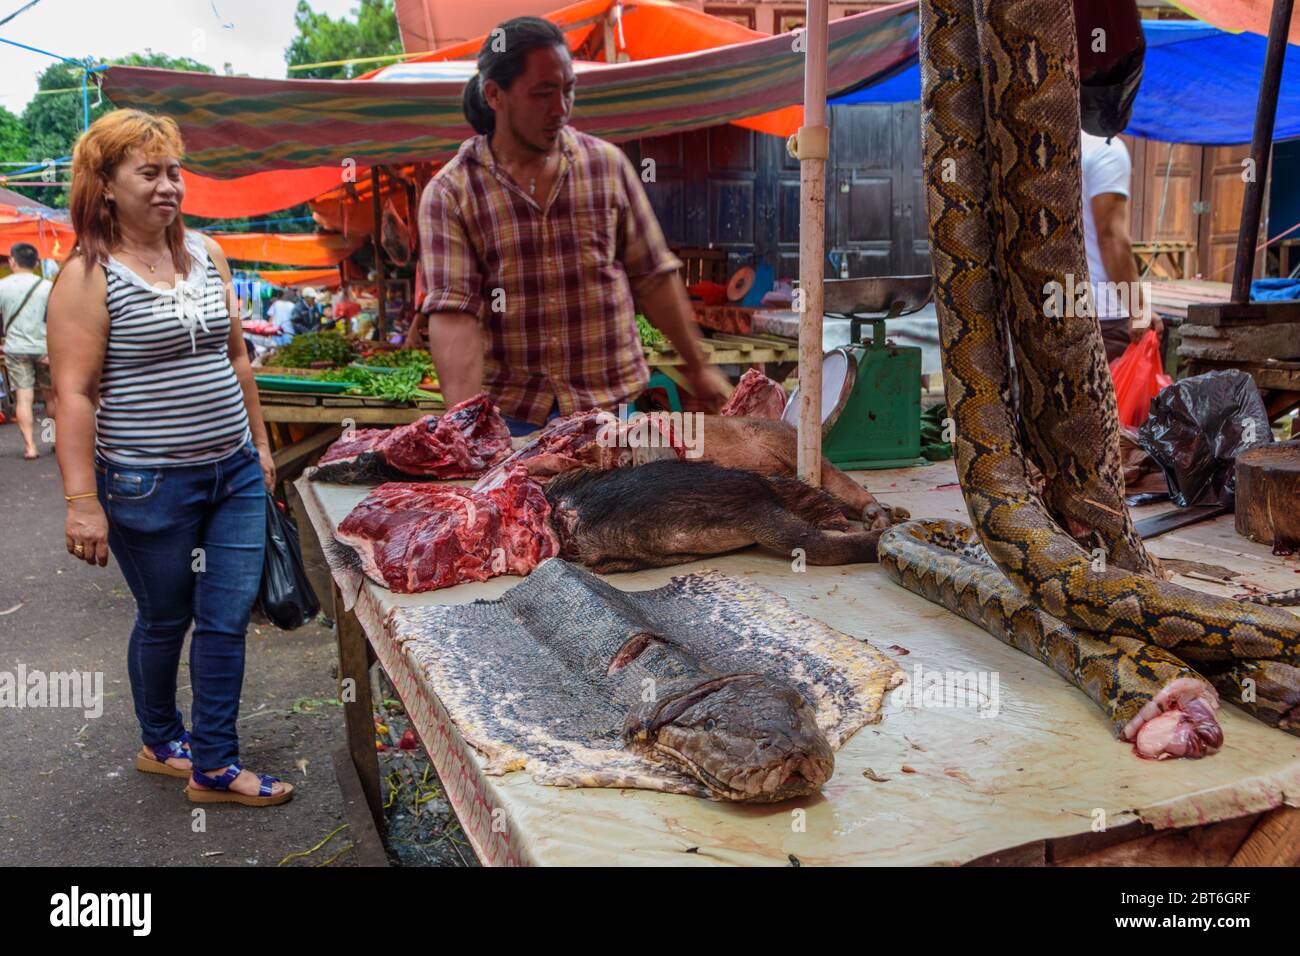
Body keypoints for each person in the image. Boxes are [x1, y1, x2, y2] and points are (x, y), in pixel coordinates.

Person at [47, 108, 292, 807]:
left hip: (235, 469)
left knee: (226, 613)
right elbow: (73, 395)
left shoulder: (207, 254)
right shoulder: (88, 277)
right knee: (165, 617)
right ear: (105, 183)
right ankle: (161, 739)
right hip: (146, 481)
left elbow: (237, 358)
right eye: (148, 172)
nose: (169, 186)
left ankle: (214, 764)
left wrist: (263, 447)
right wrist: (81, 501)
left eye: (175, 172)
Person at [420, 16, 729, 436]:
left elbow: (653, 274)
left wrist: (698, 366)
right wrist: (465, 429)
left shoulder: (606, 166)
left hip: (609, 408)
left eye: (567, 90)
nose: (560, 109)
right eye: (543, 93)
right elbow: (456, 315)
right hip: (513, 415)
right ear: (495, 94)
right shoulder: (452, 193)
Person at [1081, 130, 1163, 362]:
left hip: (1053, 302)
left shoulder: (1046, 147)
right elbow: (1110, 236)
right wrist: (1138, 309)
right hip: (1103, 313)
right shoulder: (1106, 149)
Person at [0, 242, 55, 459]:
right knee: (52, 398)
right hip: (45, 348)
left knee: (24, 398)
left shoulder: (2, 286)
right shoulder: (47, 287)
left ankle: (30, 446)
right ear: (36, 262)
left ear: (12, 261)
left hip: (15, 349)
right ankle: (54, 440)